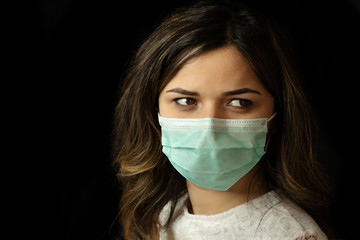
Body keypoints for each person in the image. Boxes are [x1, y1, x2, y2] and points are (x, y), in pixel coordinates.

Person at [113, 0, 330, 239]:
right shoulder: (160, 220)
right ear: (152, 111)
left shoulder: (293, 235)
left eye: (239, 102)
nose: (210, 128)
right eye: (186, 101)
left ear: (277, 116)